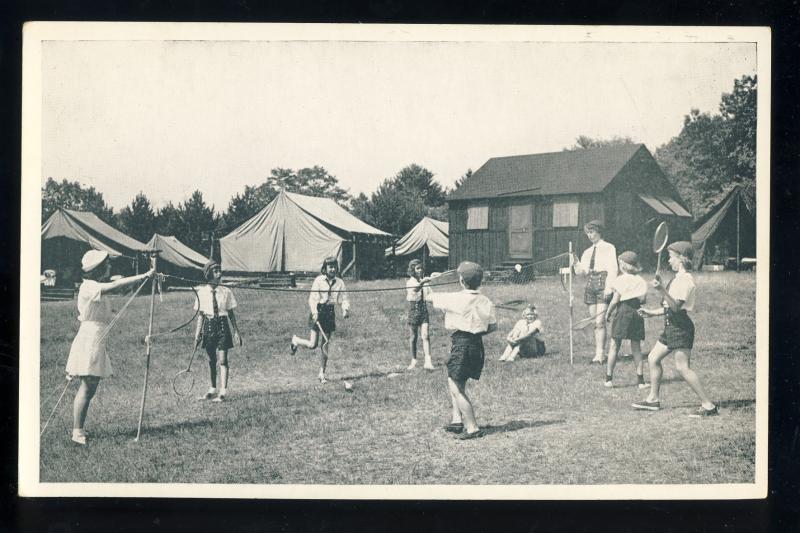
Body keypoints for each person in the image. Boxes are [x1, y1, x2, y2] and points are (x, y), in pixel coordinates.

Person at [65, 250, 155, 445]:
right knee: (88, 386)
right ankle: (77, 432)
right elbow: (114, 285)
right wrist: (144, 275)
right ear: (97, 268)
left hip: (96, 337)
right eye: (106, 264)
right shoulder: (89, 286)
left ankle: (78, 429)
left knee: (90, 386)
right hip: (90, 339)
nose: (109, 267)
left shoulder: (95, 286)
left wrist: (149, 277)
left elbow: (118, 291)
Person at [632, 242, 718, 417]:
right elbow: (669, 307)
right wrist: (652, 312)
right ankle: (653, 400)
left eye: (671, 256)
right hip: (671, 326)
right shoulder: (677, 279)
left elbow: (677, 307)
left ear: (681, 258)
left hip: (680, 327)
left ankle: (708, 405)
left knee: (682, 367)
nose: (669, 260)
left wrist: (661, 289)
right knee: (653, 358)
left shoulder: (685, 280)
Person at [424, 261, 497, 440]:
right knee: (458, 379)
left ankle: (472, 427)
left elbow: (428, 297)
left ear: (462, 281)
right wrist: (476, 329)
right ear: (480, 282)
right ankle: (457, 420)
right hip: (476, 344)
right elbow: (492, 327)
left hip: (461, 343)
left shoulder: (455, 297)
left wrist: (425, 282)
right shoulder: (486, 301)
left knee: (455, 386)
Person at [290, 256, 350, 384]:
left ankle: (322, 373)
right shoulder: (318, 280)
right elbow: (312, 299)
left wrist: (345, 309)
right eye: (330, 267)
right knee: (313, 344)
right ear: (325, 268)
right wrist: (315, 313)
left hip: (329, 313)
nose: (332, 269)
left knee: (325, 343)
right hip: (318, 311)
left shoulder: (339, 282)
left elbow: (343, 298)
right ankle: (296, 340)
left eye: (334, 267)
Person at [194, 260, 242, 402]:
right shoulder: (202, 292)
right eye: (215, 271)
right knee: (211, 359)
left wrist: (236, 332)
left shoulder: (226, 291)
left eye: (220, 270)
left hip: (222, 326)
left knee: (223, 359)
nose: (219, 273)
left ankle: (223, 392)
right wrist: (197, 334)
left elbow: (231, 314)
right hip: (208, 327)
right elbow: (201, 316)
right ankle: (212, 388)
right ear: (209, 274)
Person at [573, 220, 618, 363]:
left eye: (592, 232)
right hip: (591, 283)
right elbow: (583, 272)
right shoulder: (587, 251)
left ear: (599, 231)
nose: (590, 236)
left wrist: (609, 287)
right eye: (587, 233)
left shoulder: (609, 247)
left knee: (600, 321)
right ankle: (598, 353)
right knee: (594, 321)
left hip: (604, 282)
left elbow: (613, 268)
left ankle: (600, 354)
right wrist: (575, 262)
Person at [603, 251, 648, 389]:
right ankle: (641, 381)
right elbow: (643, 300)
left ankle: (609, 379)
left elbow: (615, 300)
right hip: (637, 312)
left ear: (623, 265)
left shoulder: (620, 280)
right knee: (636, 347)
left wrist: (608, 313)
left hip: (623, 312)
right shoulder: (641, 280)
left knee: (614, 345)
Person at [406, 259, 434, 370]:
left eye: (421, 268)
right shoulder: (410, 282)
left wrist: (440, 304)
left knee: (426, 335)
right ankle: (414, 360)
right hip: (414, 311)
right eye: (418, 268)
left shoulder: (424, 281)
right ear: (412, 270)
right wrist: (423, 282)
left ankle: (428, 361)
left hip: (423, 311)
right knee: (413, 337)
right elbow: (416, 289)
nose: (420, 270)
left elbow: (431, 295)